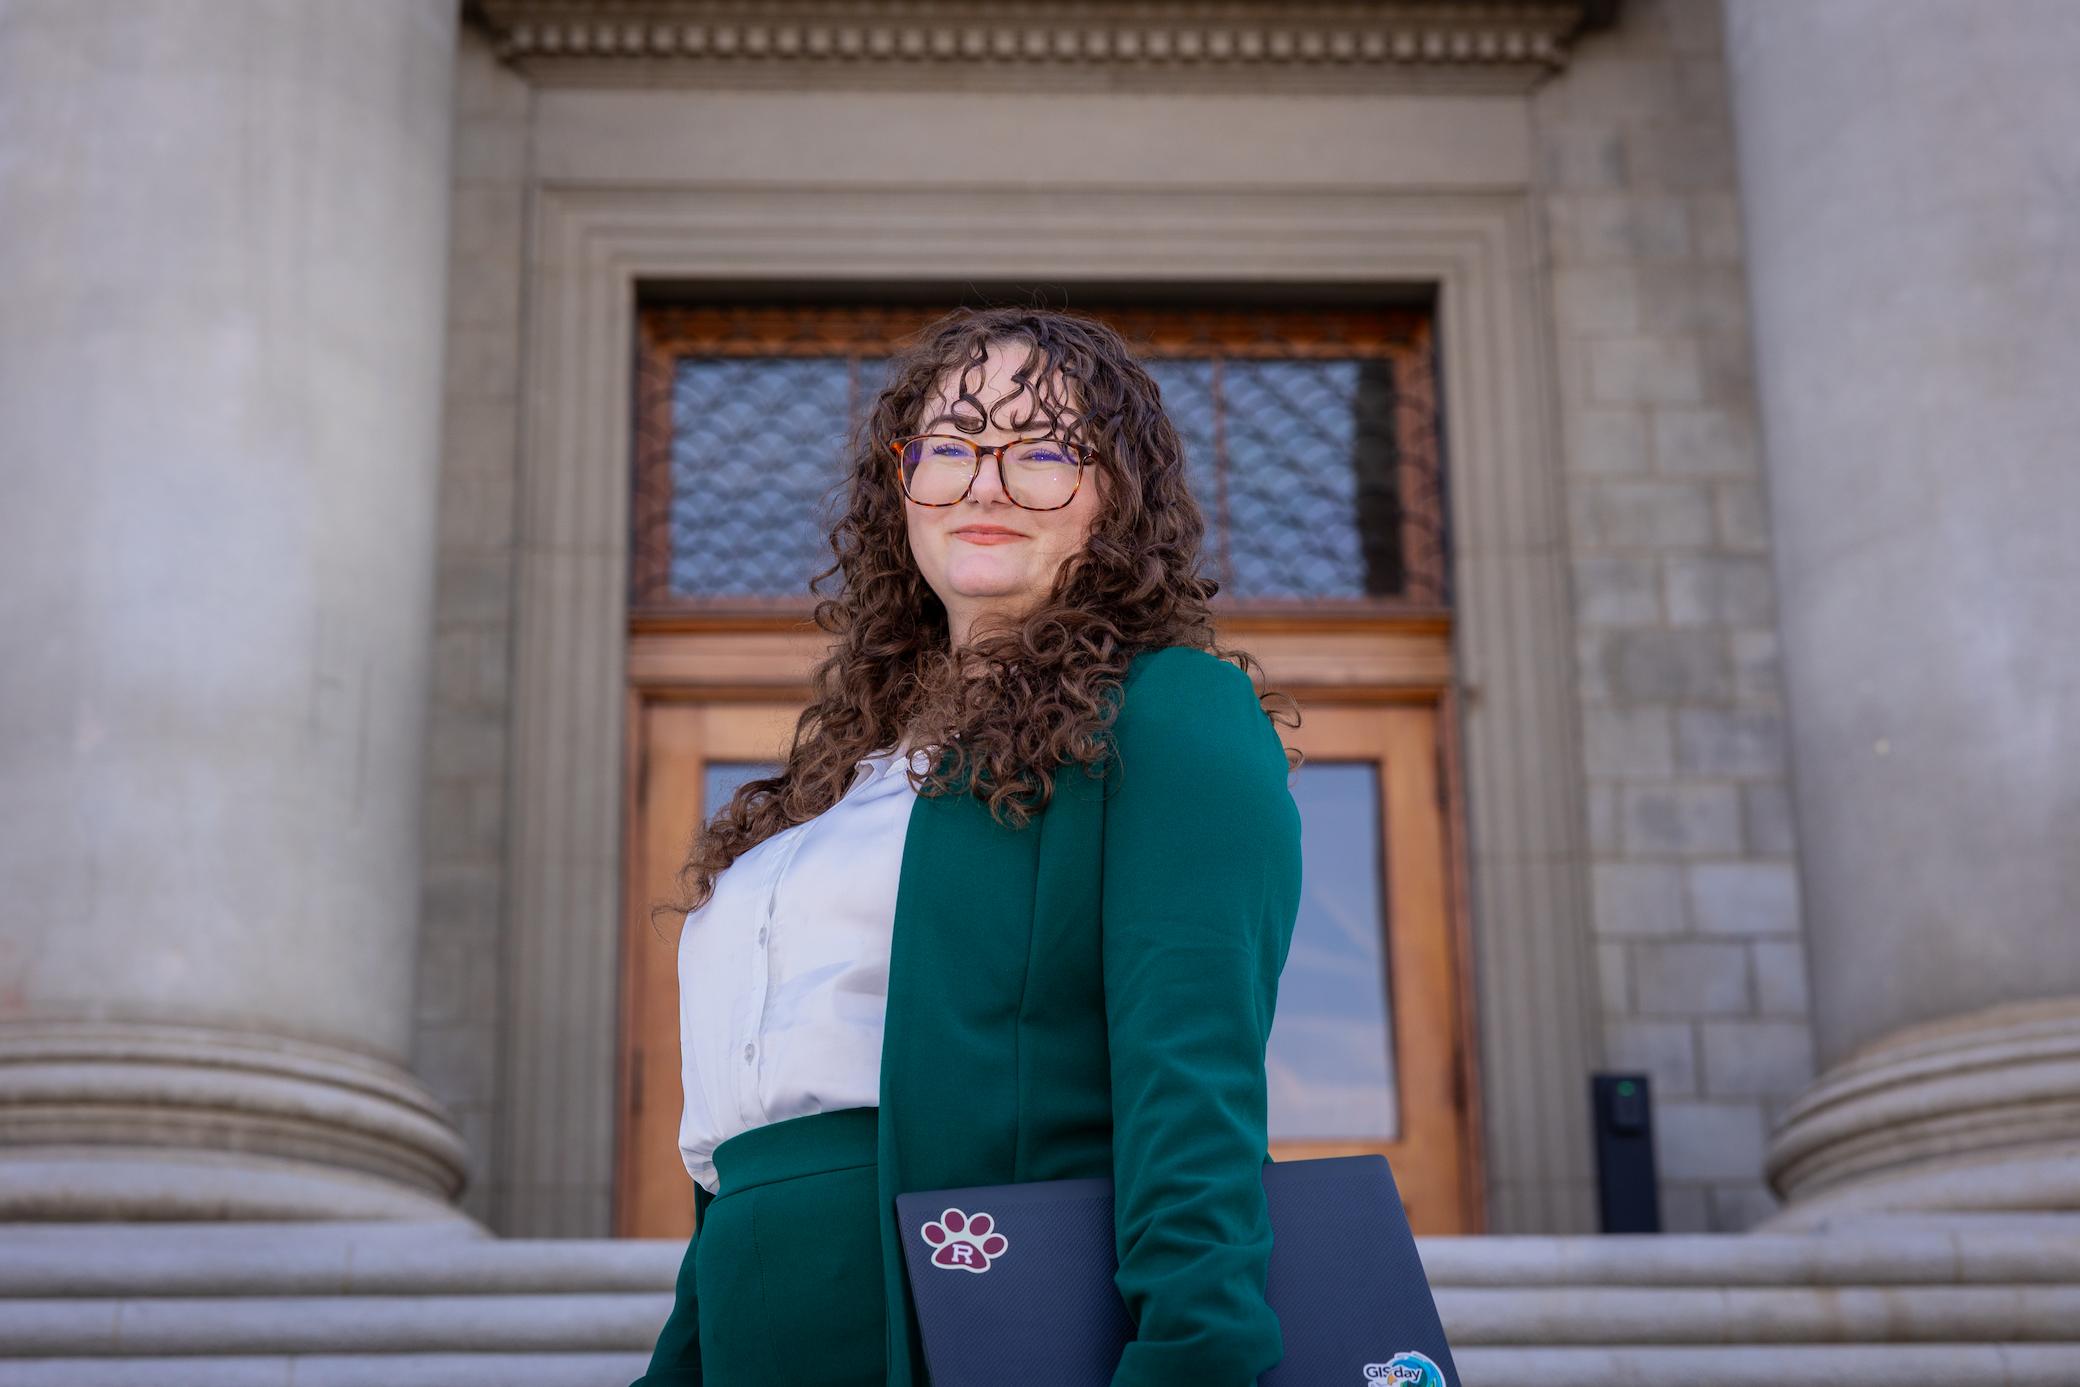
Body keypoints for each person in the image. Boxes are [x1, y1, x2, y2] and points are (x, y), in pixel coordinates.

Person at [631, 305, 1305, 1386]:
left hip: (967, 1305)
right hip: (760, 1313)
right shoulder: (839, 780)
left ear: (1116, 494)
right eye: (949, 446)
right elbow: (738, 1148)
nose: (984, 481)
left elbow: (1191, 1077)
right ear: (899, 488)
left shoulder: (1168, 713)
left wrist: (1195, 1354)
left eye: (1041, 450)